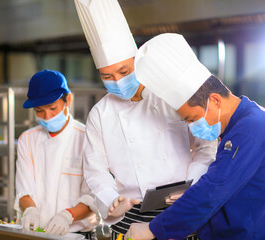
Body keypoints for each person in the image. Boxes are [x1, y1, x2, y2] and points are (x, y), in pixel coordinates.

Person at [124, 33, 265, 240]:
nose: (193, 127)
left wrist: (154, 228)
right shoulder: (242, 122)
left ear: (215, 100)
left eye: (192, 118)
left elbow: (213, 190)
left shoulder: (252, 127)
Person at [74, 1, 217, 239]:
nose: (117, 82)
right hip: (127, 215)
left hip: (178, 208)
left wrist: (193, 185)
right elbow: (95, 170)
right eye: (107, 76)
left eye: (123, 72)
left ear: (136, 61)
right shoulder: (100, 113)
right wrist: (111, 201)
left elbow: (206, 147)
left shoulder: (169, 95)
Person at [14, 69, 98, 239]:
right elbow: (24, 189)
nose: (47, 116)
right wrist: (30, 210)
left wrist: (67, 215)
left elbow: (95, 195)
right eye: (39, 111)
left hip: (77, 235)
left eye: (52, 108)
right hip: (37, 233)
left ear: (68, 99)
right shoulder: (27, 139)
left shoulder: (87, 138)